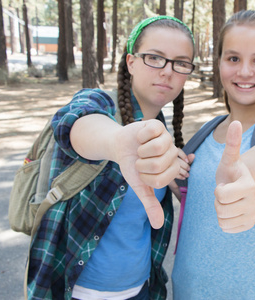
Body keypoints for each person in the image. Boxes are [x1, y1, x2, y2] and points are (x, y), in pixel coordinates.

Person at [26, 16, 195, 300]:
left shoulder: (162, 131)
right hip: (74, 290)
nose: (167, 71)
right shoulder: (100, 104)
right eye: (155, 57)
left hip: (141, 289)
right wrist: (117, 142)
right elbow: (73, 122)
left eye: (180, 63)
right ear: (131, 62)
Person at [171, 10, 255, 299]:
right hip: (187, 291)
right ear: (219, 62)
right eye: (233, 58)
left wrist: (251, 172)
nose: (245, 71)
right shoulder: (204, 135)